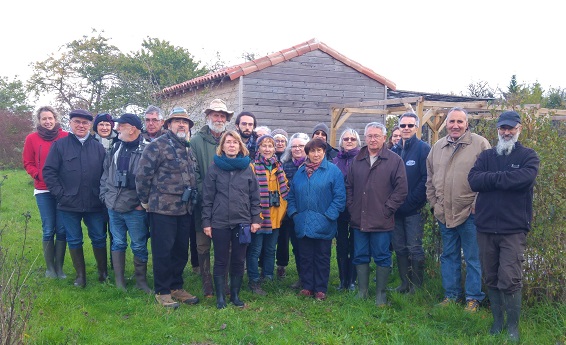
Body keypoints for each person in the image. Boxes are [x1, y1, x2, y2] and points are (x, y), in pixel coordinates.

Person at [468, 111, 539, 342]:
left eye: (511, 128)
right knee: (490, 276)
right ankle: (497, 322)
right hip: (486, 227)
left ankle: (513, 328)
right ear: (498, 130)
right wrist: (504, 178)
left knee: (510, 278)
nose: (506, 132)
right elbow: (474, 180)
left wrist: (493, 180)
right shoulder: (487, 155)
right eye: (502, 128)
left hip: (513, 229)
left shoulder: (529, 155)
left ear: (519, 128)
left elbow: (524, 179)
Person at [426, 107, 490, 311]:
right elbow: (429, 178)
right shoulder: (437, 146)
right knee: (449, 256)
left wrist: (476, 205)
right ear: (446, 124)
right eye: (451, 122)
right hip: (444, 213)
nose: (455, 126)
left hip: (469, 213)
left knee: (473, 257)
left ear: (466, 124)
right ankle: (451, 296)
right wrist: (435, 204)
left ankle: (473, 298)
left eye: (459, 122)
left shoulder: (479, 144)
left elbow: (488, 177)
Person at [136, 106, 200, 308]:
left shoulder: (187, 147)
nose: (182, 124)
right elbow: (142, 176)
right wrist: (146, 201)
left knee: (181, 250)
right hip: (162, 209)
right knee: (163, 251)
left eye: (185, 122)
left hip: (185, 208)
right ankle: (162, 291)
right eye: (177, 121)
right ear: (169, 124)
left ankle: (176, 286)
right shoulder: (157, 146)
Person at [43, 109, 107, 288]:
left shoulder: (98, 147)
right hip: (68, 204)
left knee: (99, 237)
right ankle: (81, 276)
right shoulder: (60, 146)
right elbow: (49, 172)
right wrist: (60, 194)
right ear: (70, 123)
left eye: (85, 123)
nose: (81, 126)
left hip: (94, 203)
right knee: (74, 239)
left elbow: (105, 173)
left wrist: (102, 195)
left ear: (90, 126)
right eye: (77, 122)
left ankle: (103, 273)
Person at [346, 122, 407, 306]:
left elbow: (401, 190)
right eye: (370, 136)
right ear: (365, 138)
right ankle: (362, 291)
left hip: (382, 220)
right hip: (359, 219)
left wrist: (387, 209)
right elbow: (348, 185)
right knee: (360, 255)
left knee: (382, 256)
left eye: (377, 136)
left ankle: (380, 295)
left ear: (384, 138)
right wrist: (351, 206)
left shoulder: (394, 160)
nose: (373, 139)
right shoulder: (357, 159)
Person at [202, 131, 262, 309]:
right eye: (228, 142)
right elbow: (207, 198)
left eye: (235, 142)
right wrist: (206, 222)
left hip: (242, 222)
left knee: (238, 259)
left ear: (240, 146)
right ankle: (220, 297)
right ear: (222, 146)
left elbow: (255, 197)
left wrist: (255, 219)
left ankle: (235, 295)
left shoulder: (247, 168)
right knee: (220, 260)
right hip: (219, 222)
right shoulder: (214, 168)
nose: (231, 145)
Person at [286, 138, 346, 301]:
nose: (316, 154)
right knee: (305, 256)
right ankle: (307, 286)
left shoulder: (333, 171)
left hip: (324, 222)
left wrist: (329, 216)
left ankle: (320, 288)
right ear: (308, 154)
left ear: (324, 152)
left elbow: (340, 197)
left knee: (321, 256)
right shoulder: (300, 172)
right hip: (303, 222)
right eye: (312, 151)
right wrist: (294, 214)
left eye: (319, 150)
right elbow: (291, 196)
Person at [100, 113, 151, 293]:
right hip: (113, 205)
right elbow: (105, 174)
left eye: (121, 125)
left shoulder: (148, 150)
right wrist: (105, 196)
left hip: (135, 208)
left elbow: (152, 179)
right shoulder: (115, 148)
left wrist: (142, 203)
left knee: (138, 244)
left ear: (133, 128)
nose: (117, 128)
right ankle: (120, 282)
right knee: (118, 243)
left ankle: (141, 282)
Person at [190, 98, 233, 297]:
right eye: (215, 115)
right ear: (208, 116)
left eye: (222, 116)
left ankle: (222, 280)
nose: (219, 118)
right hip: (204, 202)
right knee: (203, 243)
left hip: (227, 203)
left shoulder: (230, 139)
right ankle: (206, 280)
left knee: (225, 244)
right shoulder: (196, 141)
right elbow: (194, 171)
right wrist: (206, 193)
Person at [22, 106, 69, 279]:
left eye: (50, 118)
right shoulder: (31, 139)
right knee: (49, 229)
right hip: (43, 190)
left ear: (55, 119)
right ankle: (50, 269)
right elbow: (28, 162)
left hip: (63, 190)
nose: (48, 122)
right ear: (39, 121)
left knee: (62, 229)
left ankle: (60, 268)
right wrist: (37, 174)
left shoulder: (65, 137)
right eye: (44, 119)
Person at [391, 113, 430, 293]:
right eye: (403, 125)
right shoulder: (394, 151)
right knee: (399, 247)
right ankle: (404, 284)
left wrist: (411, 202)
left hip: (414, 209)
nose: (406, 128)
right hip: (395, 210)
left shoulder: (423, 149)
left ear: (416, 128)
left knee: (414, 247)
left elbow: (425, 179)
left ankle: (416, 287)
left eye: (410, 125)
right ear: (399, 127)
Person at [247, 135, 289, 295]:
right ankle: (254, 280)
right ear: (258, 148)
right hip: (259, 215)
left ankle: (268, 277)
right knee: (255, 249)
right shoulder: (252, 167)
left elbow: (285, 190)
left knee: (271, 249)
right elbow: (249, 192)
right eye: (264, 146)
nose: (267, 149)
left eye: (270, 146)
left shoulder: (279, 167)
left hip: (275, 216)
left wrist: (283, 209)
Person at [332, 128, 361, 291]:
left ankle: (352, 280)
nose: (349, 141)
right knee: (341, 244)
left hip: (357, 208)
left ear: (357, 142)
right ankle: (342, 280)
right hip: (340, 210)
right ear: (341, 142)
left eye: (352, 139)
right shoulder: (335, 161)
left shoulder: (362, 160)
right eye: (346, 139)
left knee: (355, 244)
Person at [280, 133, 310, 289]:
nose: (297, 149)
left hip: (310, 211)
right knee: (297, 247)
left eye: (301, 146)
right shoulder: (285, 165)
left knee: (311, 247)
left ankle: (314, 277)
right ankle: (302, 277)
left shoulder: (312, 164)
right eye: (294, 146)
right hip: (292, 212)